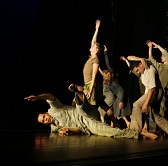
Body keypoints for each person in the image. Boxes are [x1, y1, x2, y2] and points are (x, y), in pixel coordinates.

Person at [24, 84, 158, 139]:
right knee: (109, 132)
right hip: (87, 125)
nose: (45, 119)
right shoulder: (54, 128)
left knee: (79, 107)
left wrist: (37, 97)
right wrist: (67, 130)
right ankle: (138, 135)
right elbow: (79, 130)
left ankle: (77, 92)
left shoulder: (53, 109)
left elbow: (49, 95)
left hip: (87, 112)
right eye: (43, 121)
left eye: (44, 117)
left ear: (46, 113)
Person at [127, 56, 168, 138]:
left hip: (155, 93)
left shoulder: (150, 70)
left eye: (137, 70)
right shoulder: (143, 72)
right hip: (151, 92)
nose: (138, 72)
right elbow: (129, 57)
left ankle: (135, 131)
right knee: (155, 116)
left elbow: (151, 89)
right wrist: (140, 59)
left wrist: (145, 104)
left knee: (136, 105)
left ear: (141, 65)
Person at [80, 19, 119, 128]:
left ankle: (94, 125)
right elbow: (93, 41)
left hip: (92, 85)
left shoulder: (96, 59)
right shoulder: (93, 56)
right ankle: (114, 122)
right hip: (90, 85)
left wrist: (91, 90)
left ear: (96, 49)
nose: (91, 46)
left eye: (93, 46)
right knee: (103, 106)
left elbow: (94, 77)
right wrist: (97, 29)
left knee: (91, 106)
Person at [98, 45, 132, 128]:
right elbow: (103, 68)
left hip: (119, 97)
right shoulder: (108, 79)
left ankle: (105, 124)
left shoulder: (113, 82)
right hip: (116, 97)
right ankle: (115, 124)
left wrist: (121, 101)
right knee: (115, 111)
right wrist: (96, 62)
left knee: (105, 110)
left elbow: (121, 91)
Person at [146, 40, 168, 121]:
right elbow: (151, 59)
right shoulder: (160, 66)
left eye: (162, 56)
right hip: (159, 91)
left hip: (166, 92)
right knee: (158, 111)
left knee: (164, 111)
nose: (161, 57)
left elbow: (166, 53)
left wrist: (157, 46)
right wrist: (150, 48)